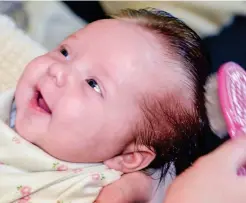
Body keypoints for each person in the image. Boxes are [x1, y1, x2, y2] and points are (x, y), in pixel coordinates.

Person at [0, 8, 211, 202]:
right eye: (65, 52)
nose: (58, 70)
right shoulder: (17, 100)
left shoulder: (83, 191)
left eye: (93, 84)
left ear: (127, 158)